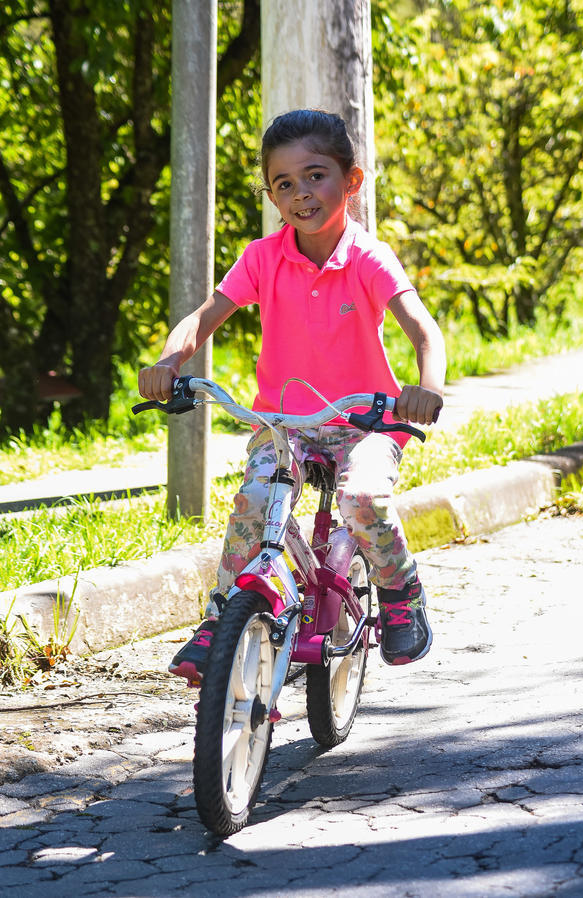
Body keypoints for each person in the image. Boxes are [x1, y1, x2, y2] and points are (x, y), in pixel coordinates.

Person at [138, 109, 446, 682]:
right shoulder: (262, 258)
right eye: (283, 184)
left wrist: (425, 390)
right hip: (285, 424)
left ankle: (400, 589)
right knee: (255, 503)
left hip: (366, 422)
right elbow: (202, 318)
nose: (300, 193)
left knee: (362, 499)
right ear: (272, 197)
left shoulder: (368, 258)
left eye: (315, 175)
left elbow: (425, 332)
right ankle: (221, 618)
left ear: (351, 181)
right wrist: (168, 362)